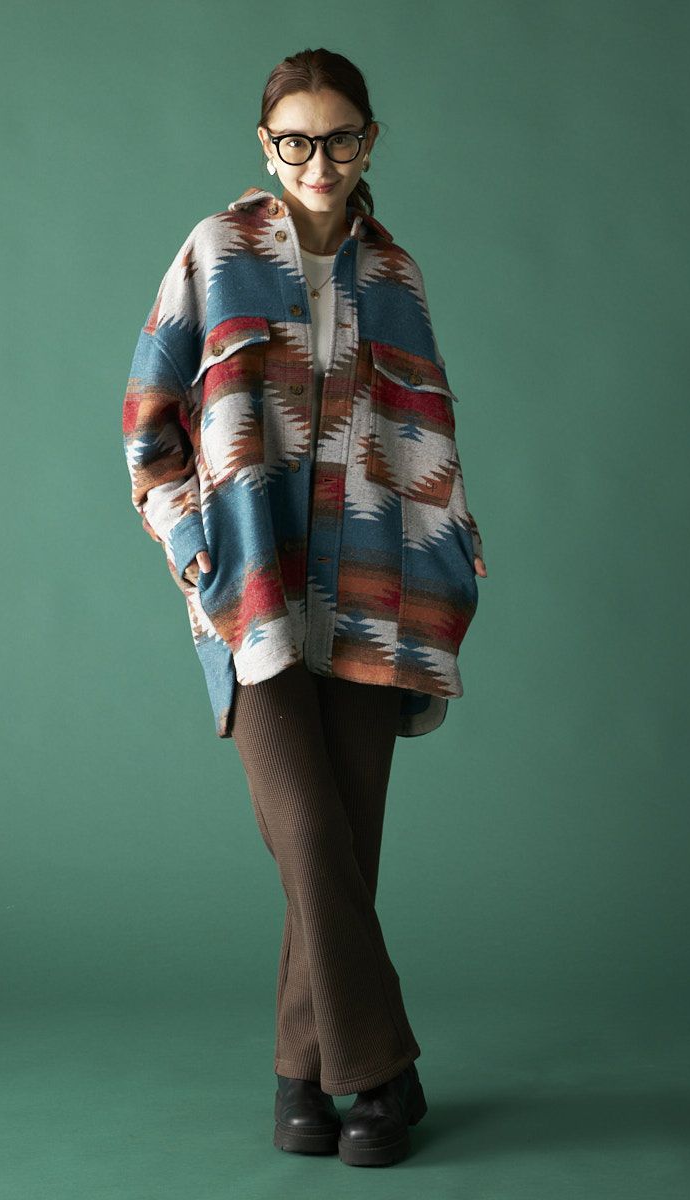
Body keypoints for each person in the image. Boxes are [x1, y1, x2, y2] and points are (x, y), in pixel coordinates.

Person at [122, 48, 487, 1167]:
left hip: (377, 592)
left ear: (369, 142)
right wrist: (194, 549)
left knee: (344, 848)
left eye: (338, 139)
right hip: (252, 590)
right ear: (265, 145)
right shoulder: (215, 254)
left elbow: (427, 432)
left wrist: (454, 554)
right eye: (295, 140)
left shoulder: (397, 277)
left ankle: (300, 1082)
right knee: (311, 833)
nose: (317, 161)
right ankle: (378, 1074)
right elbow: (148, 424)